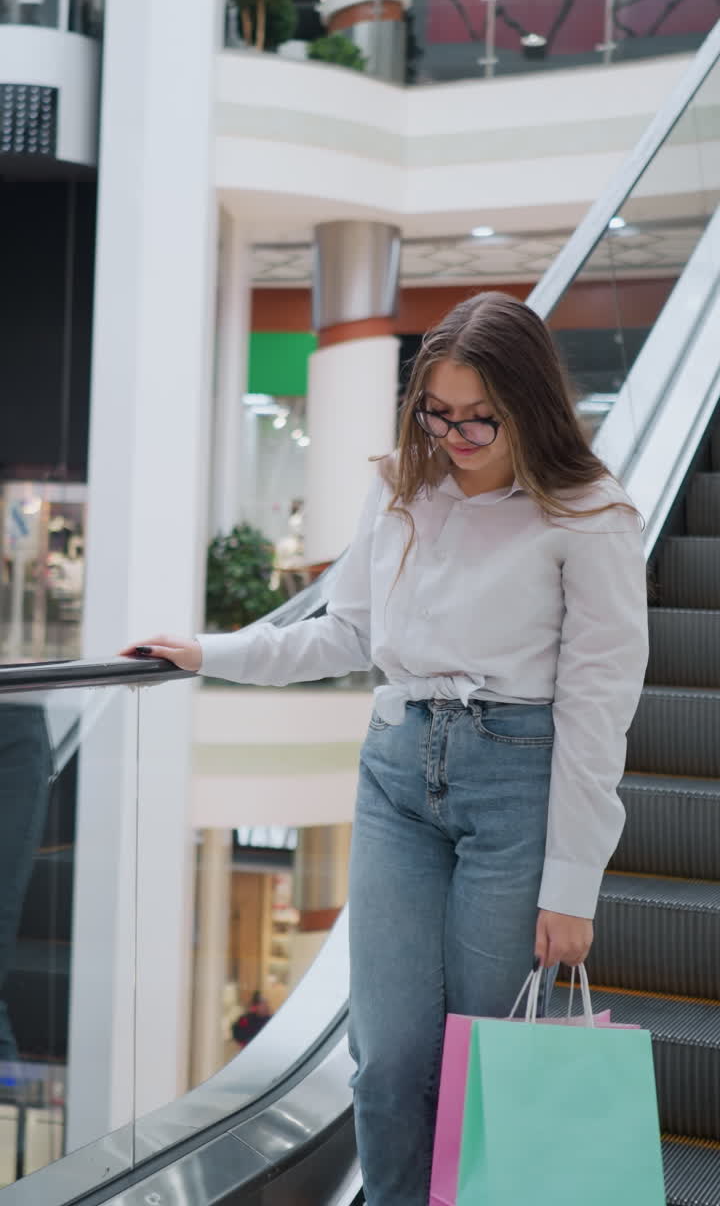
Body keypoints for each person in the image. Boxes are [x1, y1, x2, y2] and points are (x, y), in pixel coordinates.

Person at [122, 291, 649, 1206]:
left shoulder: (589, 517)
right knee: (385, 1060)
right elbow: (344, 633)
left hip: (516, 779)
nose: (455, 435)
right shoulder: (403, 485)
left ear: (531, 404)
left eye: (480, 417)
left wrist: (574, 885)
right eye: (438, 413)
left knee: (483, 1058)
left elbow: (599, 710)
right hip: (398, 772)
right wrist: (210, 653)